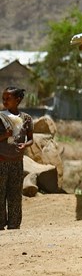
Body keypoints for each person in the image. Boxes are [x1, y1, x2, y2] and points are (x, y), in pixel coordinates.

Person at [0, 87, 34, 230]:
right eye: (3, 98)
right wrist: (5, 136)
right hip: (1, 161)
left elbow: (31, 139)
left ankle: (14, 225)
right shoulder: (0, 117)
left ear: (18, 100)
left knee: (15, 194)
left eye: (8, 98)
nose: (5, 101)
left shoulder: (26, 118)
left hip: (17, 162)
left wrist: (25, 145)